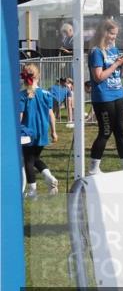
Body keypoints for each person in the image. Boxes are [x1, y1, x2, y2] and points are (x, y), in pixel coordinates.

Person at [87, 18, 123, 173]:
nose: (114, 37)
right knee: (105, 131)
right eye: (112, 34)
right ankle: (94, 168)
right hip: (103, 97)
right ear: (104, 32)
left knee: (121, 130)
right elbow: (98, 76)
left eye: (115, 34)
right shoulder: (96, 52)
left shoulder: (113, 49)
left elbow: (119, 74)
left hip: (118, 94)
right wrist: (116, 64)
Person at [19, 64, 58, 197]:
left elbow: (20, 116)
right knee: (35, 158)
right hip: (42, 131)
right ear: (38, 76)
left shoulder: (22, 95)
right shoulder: (46, 94)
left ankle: (32, 191)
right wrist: (54, 131)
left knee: (28, 161)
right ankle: (49, 177)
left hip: (27, 133)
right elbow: (51, 114)